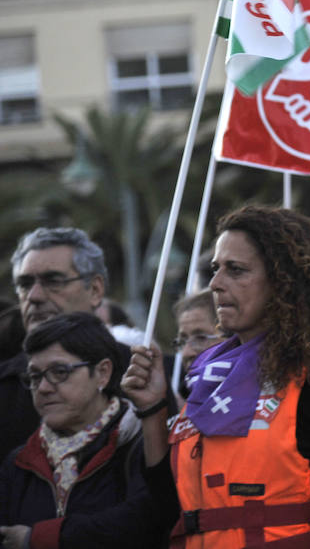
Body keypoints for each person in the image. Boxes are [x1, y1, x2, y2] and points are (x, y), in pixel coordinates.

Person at [123, 205, 310, 548]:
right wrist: (153, 411)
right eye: (216, 269)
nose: (215, 284)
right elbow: (174, 508)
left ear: (283, 281)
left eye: (236, 270)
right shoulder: (207, 374)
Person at [0, 312, 168, 549]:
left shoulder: (143, 445)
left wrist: (37, 538)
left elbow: (145, 523)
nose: (44, 388)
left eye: (60, 372)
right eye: (35, 376)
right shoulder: (18, 463)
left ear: (102, 372)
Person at [0, 227, 109, 463]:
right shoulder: (5, 389)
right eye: (25, 284)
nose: (35, 296)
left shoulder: (140, 376)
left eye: (53, 281)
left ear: (95, 289)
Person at [171, 288, 224, 397]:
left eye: (200, 338)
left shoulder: (259, 402)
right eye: (182, 341)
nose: (186, 353)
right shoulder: (183, 402)